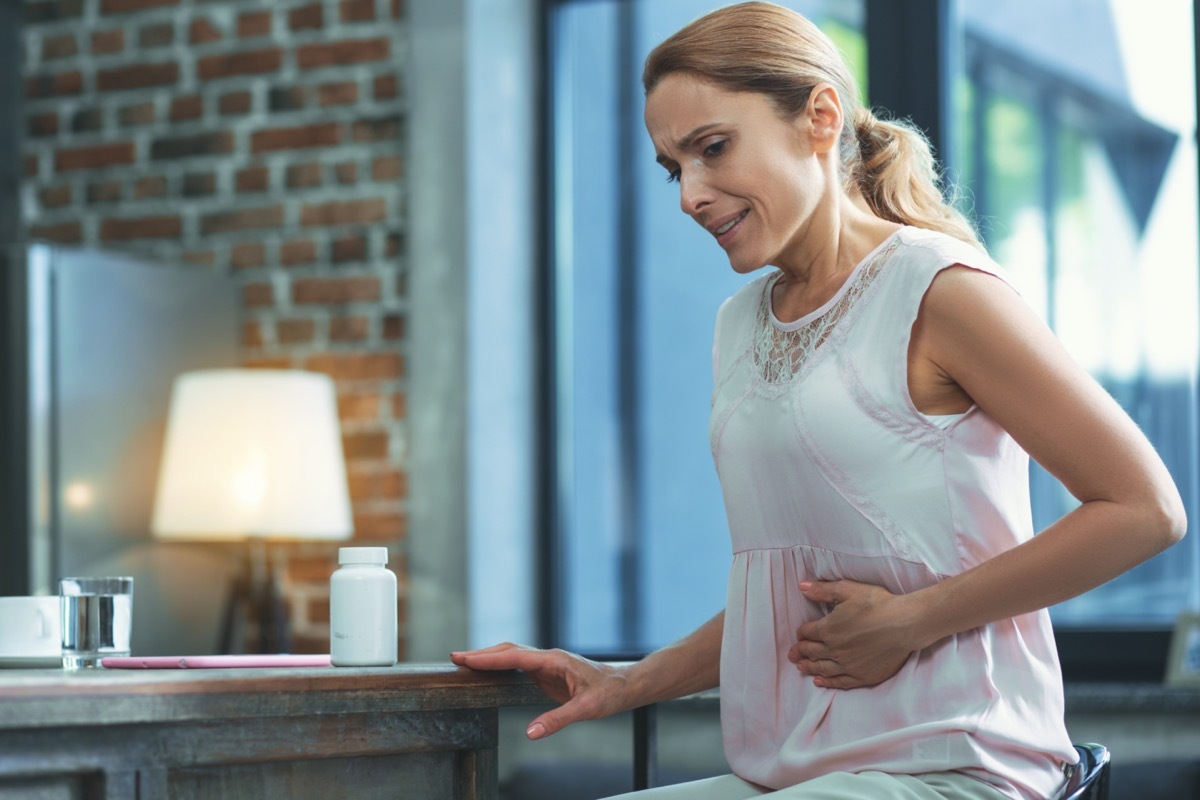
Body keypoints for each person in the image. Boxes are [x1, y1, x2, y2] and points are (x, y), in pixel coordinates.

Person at [451, 3, 1188, 799]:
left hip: (958, 762)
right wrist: (627, 682)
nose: (689, 196)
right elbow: (791, 595)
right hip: (796, 772)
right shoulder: (739, 324)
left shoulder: (940, 289)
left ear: (820, 118)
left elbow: (1145, 509)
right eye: (674, 167)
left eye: (712, 148)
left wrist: (914, 619)